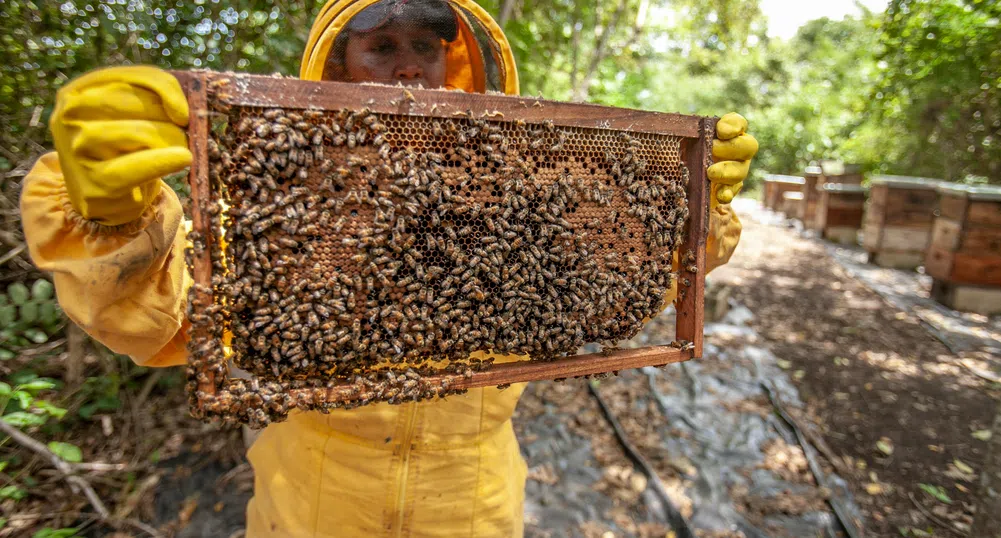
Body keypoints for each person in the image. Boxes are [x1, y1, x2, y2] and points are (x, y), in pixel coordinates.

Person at [19, 0, 758, 535]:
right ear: (336, 62)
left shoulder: (525, 191)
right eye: (380, 44)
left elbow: (609, 292)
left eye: (428, 46)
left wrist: (689, 214)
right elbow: (169, 320)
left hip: (471, 506)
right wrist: (111, 221)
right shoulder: (286, 196)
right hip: (310, 506)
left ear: (456, 61)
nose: (408, 65)